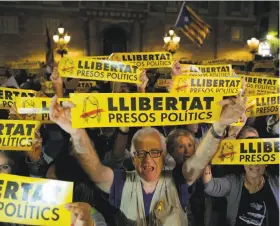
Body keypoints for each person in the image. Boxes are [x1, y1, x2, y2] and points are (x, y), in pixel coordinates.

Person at [49, 88, 247, 225]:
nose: (148, 159)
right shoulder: (120, 182)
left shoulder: (178, 180)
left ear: (163, 155)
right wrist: (76, 132)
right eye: (140, 153)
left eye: (154, 152)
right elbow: (94, 168)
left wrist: (219, 126)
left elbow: (198, 160)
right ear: (132, 158)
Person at [203, 126, 279, 226]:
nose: (254, 164)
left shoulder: (276, 181)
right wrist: (208, 160)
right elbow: (209, 186)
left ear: (267, 163)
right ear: (242, 162)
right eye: (250, 159)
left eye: (259, 159)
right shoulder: (233, 182)